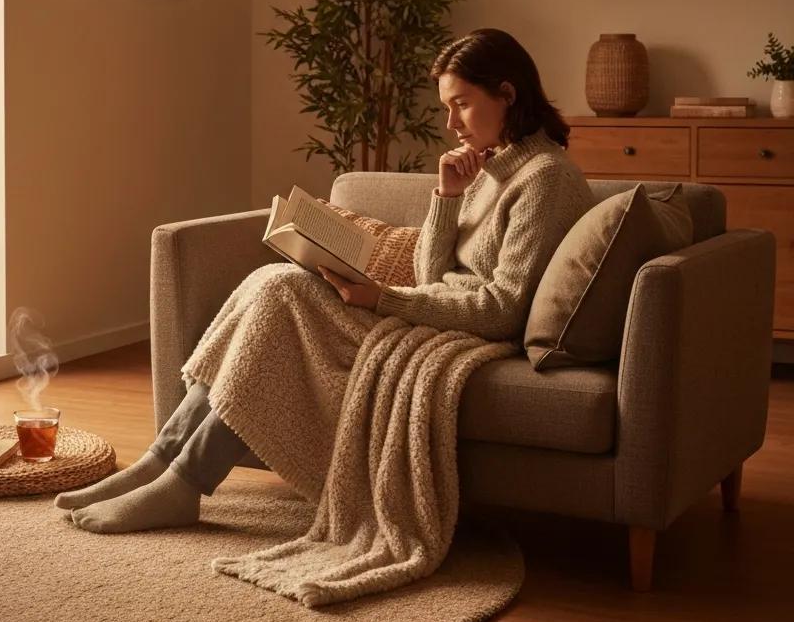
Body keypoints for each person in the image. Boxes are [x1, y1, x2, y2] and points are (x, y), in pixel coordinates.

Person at [55, 28, 596, 534]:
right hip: (428, 310)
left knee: (281, 291)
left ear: (507, 92)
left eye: (462, 103)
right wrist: (448, 197)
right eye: (446, 108)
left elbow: (502, 308)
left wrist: (382, 297)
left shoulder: (545, 180)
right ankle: (160, 461)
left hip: (458, 336)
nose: (452, 123)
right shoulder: (491, 164)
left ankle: (183, 483)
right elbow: (433, 274)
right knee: (271, 280)